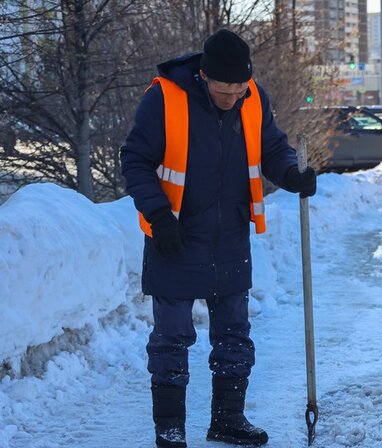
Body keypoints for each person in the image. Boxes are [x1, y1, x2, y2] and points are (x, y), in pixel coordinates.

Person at [120, 29, 316, 448]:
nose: (231, 98)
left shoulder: (254, 98)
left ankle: (228, 419)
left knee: (234, 335)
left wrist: (291, 174)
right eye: (223, 91)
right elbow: (135, 160)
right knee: (171, 337)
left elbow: (272, 147)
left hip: (229, 238)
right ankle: (169, 427)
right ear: (204, 77)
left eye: (238, 90)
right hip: (174, 236)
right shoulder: (165, 99)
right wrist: (157, 213)